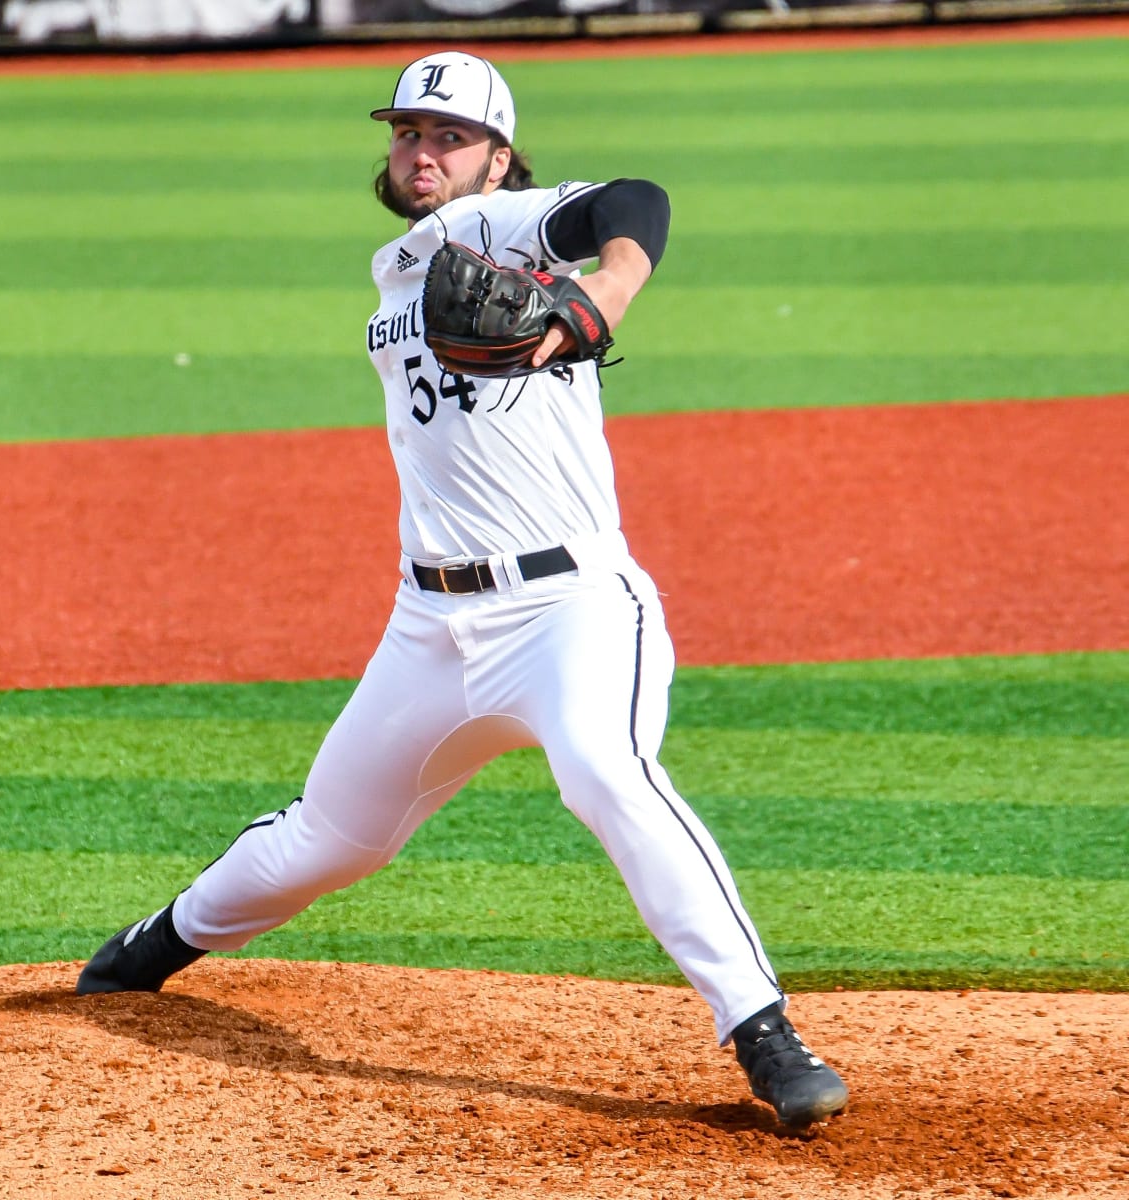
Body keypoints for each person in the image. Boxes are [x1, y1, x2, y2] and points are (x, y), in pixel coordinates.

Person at [76, 49, 848, 1130]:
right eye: (406, 133)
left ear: (498, 158)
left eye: (448, 137)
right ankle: (153, 945)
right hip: (428, 628)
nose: (421, 152)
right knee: (330, 842)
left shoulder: (509, 223)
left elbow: (635, 202)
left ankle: (763, 1032)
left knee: (606, 772)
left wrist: (605, 289)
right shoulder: (398, 267)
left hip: (569, 610)